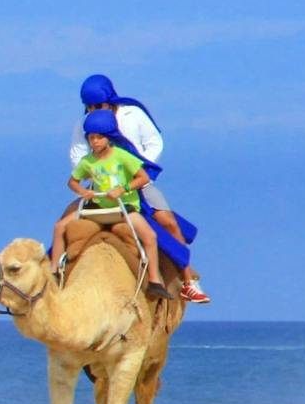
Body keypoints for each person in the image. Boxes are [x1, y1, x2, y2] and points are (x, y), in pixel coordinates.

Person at [69, 73, 208, 302]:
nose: (94, 110)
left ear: (110, 100)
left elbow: (154, 141)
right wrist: (92, 172)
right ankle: (55, 275)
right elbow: (77, 152)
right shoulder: (84, 124)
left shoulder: (132, 115)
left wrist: (133, 169)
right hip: (101, 185)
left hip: (137, 181)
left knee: (168, 222)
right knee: (66, 226)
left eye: (98, 105)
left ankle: (188, 281)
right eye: (89, 107)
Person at [58, 110, 172, 300]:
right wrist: (83, 191)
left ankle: (154, 281)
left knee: (150, 236)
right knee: (61, 227)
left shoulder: (122, 156)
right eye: (91, 138)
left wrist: (124, 188)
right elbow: (72, 181)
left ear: (109, 137)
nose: (94, 142)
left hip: (123, 208)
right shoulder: (88, 161)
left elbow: (142, 178)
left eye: (99, 137)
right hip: (97, 209)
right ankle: (55, 273)